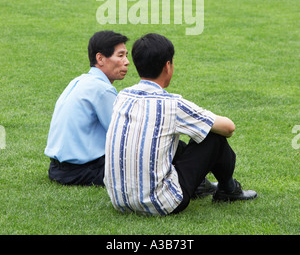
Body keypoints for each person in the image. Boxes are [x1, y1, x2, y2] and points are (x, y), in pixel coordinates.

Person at [104, 33, 257, 216]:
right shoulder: (172, 105)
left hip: (119, 201)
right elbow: (229, 127)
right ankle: (228, 188)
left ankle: (202, 186)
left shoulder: (122, 97)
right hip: (162, 203)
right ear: (167, 66)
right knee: (213, 135)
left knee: (171, 141)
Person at [44, 30, 129, 186]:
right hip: (81, 171)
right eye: (120, 55)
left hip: (56, 169)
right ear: (100, 58)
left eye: (126, 55)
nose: (127, 61)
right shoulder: (102, 89)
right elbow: (123, 135)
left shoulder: (79, 81)